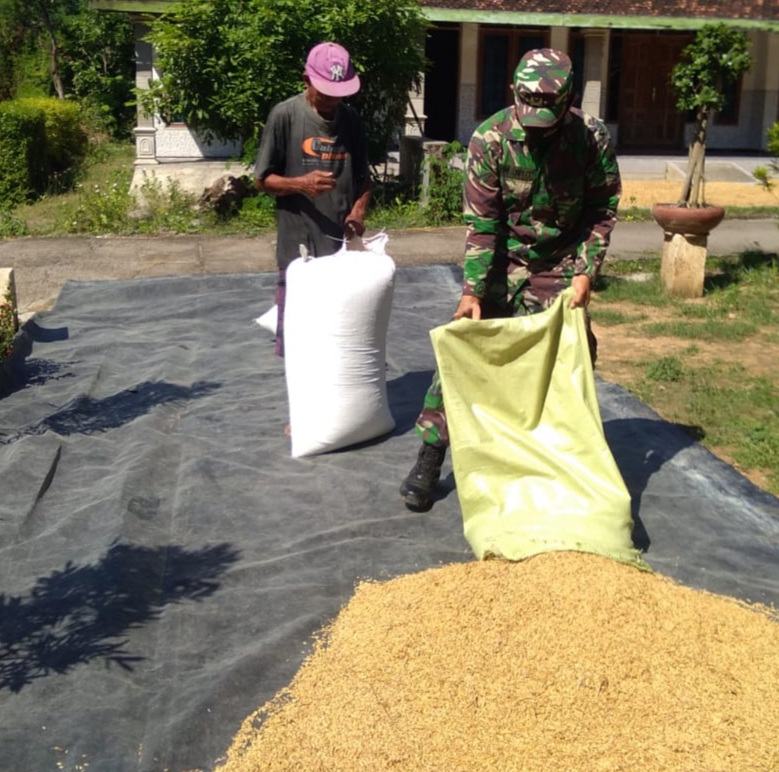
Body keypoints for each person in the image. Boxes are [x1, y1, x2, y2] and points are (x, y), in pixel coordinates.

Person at [398, 48, 623, 512]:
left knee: (570, 358)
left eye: (549, 116)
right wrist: (472, 291)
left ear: (569, 100)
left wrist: (585, 273)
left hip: (559, 264)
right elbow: (483, 225)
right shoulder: (491, 139)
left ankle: (560, 460)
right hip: (501, 261)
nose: (537, 126)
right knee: (465, 347)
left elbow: (602, 210)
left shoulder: (591, 138)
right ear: (513, 95)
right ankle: (431, 454)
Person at [253, 41, 373, 357]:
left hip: (341, 250)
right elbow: (262, 180)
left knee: (336, 338)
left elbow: (364, 178)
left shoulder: (352, 121)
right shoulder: (285, 116)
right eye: (325, 91)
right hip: (299, 249)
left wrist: (358, 211)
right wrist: (300, 183)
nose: (333, 99)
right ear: (306, 80)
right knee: (297, 343)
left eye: (339, 92)